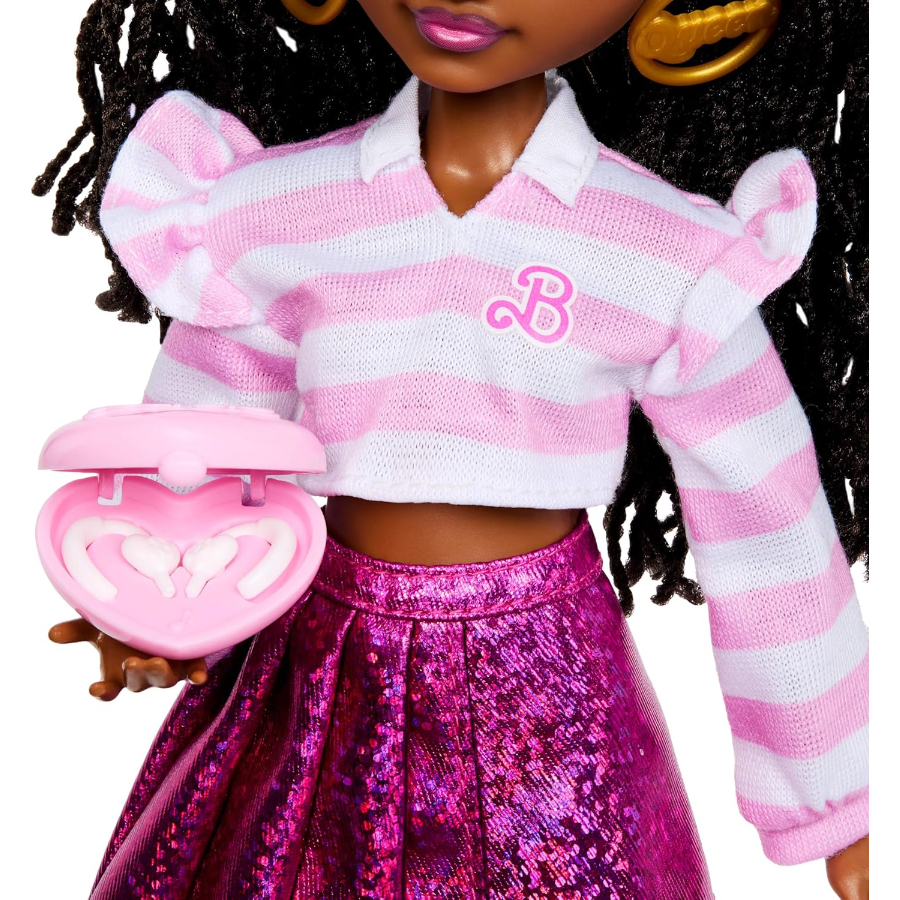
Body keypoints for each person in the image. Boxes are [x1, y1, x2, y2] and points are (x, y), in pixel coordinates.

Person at [37, 1, 869, 896]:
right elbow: (205, 447)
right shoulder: (280, 210)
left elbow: (769, 528)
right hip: (317, 659)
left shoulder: (660, 251)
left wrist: (839, 799)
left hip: (548, 687)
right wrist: (162, 605)